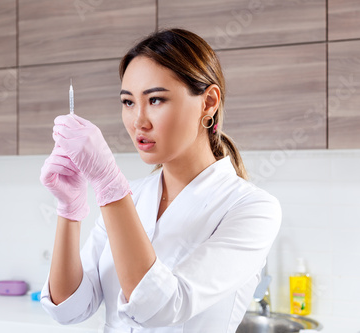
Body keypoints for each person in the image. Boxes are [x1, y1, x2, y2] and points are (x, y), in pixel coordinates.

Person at [39, 28, 281, 333]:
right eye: (128, 102)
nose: (139, 121)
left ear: (208, 102)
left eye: (155, 100)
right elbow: (70, 308)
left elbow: (162, 307)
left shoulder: (252, 209)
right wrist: (69, 210)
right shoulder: (131, 197)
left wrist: (108, 183)